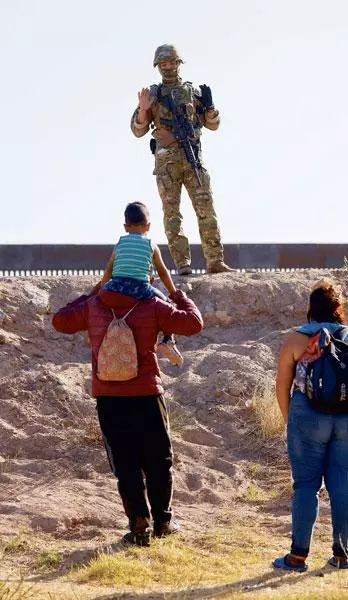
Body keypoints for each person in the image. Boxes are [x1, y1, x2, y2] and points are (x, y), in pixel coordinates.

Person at [52, 273, 203, 546]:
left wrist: (96, 288)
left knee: (125, 463)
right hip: (147, 394)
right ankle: (163, 522)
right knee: (159, 461)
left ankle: (138, 524)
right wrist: (173, 290)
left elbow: (60, 320)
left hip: (110, 397)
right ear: (149, 276)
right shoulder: (153, 304)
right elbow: (193, 323)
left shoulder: (95, 304)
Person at [273, 280, 348, 571]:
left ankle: (297, 556)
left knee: (306, 486)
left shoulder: (296, 339)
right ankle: (343, 556)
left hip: (308, 416)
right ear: (339, 309)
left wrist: (292, 421)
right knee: (343, 482)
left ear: (310, 309)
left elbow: (282, 387)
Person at [131, 44, 234, 276]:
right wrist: (143, 111)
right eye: (163, 64)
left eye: (171, 63)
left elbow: (212, 125)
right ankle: (182, 264)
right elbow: (138, 130)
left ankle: (215, 261)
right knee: (172, 214)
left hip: (193, 160)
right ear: (158, 67)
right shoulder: (153, 95)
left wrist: (210, 110)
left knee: (206, 209)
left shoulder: (192, 92)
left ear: (179, 64)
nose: (167, 67)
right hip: (167, 164)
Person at [100, 201, 183, 366]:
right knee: (168, 308)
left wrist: (102, 290)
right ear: (148, 226)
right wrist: (173, 293)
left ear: (125, 227)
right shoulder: (151, 245)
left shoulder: (120, 244)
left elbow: (109, 270)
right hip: (140, 287)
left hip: (115, 286)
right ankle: (168, 340)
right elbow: (163, 272)